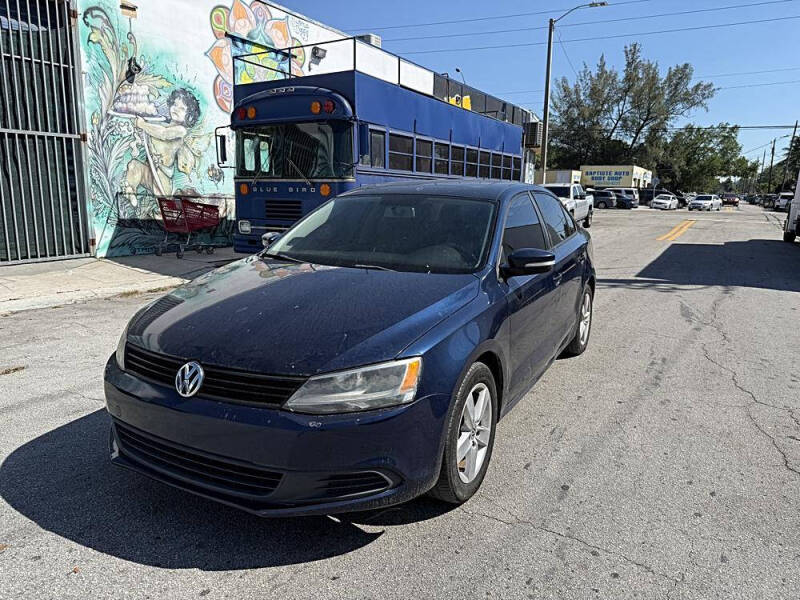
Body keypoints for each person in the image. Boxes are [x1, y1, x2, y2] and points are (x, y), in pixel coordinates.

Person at [124, 88, 201, 200]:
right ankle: (130, 191)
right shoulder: (161, 123)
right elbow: (152, 133)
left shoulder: (181, 130)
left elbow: (163, 134)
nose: (176, 109)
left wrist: (142, 124)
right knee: (133, 166)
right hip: (149, 169)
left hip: (163, 175)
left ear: (189, 116)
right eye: (175, 104)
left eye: (182, 108)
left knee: (163, 202)